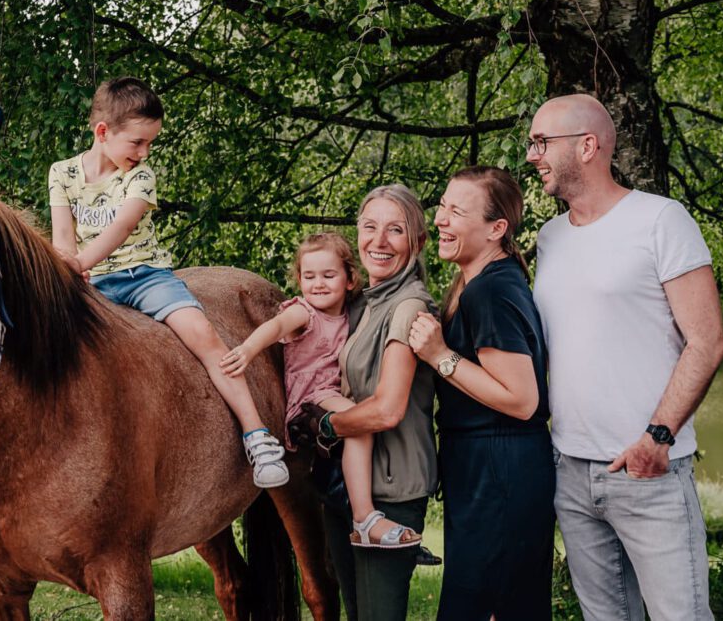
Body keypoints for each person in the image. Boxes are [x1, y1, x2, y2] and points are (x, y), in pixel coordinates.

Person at [527, 94, 723, 621]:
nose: (532, 155)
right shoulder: (550, 238)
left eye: (542, 142)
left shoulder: (661, 220)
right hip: (570, 471)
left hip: (648, 474)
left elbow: (707, 341)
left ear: (588, 146)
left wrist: (658, 438)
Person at [48, 76, 288, 488]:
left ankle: (257, 435)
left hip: (145, 275)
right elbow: (62, 241)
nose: (144, 153)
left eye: (150, 144)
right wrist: (67, 270)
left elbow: (123, 226)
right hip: (91, 284)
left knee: (204, 336)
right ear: (103, 132)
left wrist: (79, 262)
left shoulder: (140, 177)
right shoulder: (63, 173)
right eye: (137, 143)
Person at [409, 166, 555, 620]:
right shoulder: (476, 282)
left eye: (457, 211)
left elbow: (522, 399)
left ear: (497, 229)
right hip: (483, 466)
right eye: (442, 207)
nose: (440, 220)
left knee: (490, 607)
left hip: (501, 470)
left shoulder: (489, 291)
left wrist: (439, 356)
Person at [221, 232, 422, 549]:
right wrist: (248, 349)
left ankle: (356, 509)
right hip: (312, 395)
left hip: (330, 392)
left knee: (361, 424)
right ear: (299, 279)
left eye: (328, 275)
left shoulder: (350, 314)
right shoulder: (305, 312)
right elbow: (275, 327)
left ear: (350, 279)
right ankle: (364, 517)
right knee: (360, 425)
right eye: (308, 276)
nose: (318, 284)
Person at [302, 184, 438, 620]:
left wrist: (323, 427)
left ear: (417, 243)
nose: (378, 242)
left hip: (391, 491)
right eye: (369, 227)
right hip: (347, 487)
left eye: (395, 230)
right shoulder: (361, 303)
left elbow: (387, 409)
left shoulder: (410, 306)